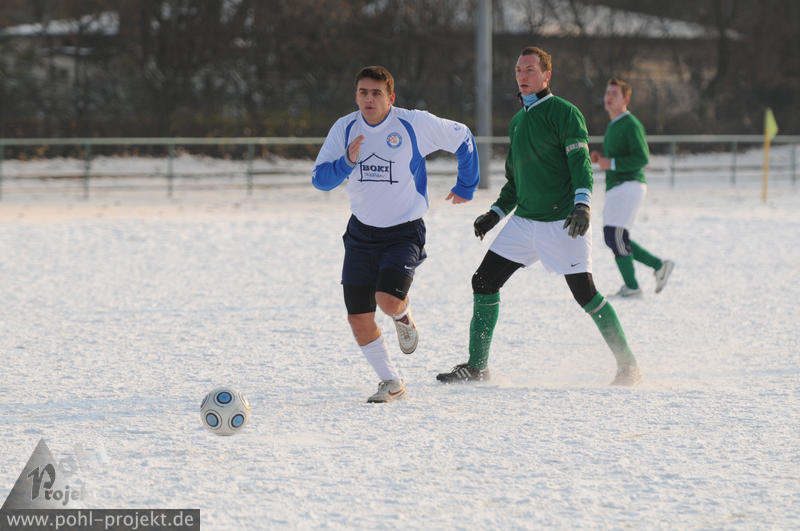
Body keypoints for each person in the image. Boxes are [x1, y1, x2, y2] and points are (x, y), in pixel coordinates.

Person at [436, 47, 641, 387]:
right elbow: (515, 181)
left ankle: (628, 365)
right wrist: (495, 214)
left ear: (547, 75)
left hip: (564, 223)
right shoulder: (518, 121)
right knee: (484, 281)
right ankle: (477, 367)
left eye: (530, 70)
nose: (523, 75)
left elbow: (581, 165)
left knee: (585, 293)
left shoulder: (565, 113)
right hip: (525, 222)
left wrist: (582, 205)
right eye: (519, 70)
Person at [312, 65, 479, 403]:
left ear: (391, 97)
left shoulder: (413, 124)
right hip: (360, 234)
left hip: (404, 230)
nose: (369, 99)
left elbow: (463, 136)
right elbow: (320, 180)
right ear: (356, 95)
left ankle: (402, 314)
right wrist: (346, 162)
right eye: (363, 92)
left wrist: (466, 184)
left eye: (376, 93)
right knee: (358, 318)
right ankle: (391, 382)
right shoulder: (345, 128)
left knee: (387, 301)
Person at [590, 78, 674, 297]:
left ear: (625, 100)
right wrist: (602, 158)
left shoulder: (631, 124)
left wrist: (612, 163)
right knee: (613, 236)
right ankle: (659, 266)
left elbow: (642, 157)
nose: (609, 97)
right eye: (607, 93)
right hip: (617, 186)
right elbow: (617, 156)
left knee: (615, 235)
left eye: (614, 94)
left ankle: (633, 287)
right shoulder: (614, 124)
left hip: (629, 185)